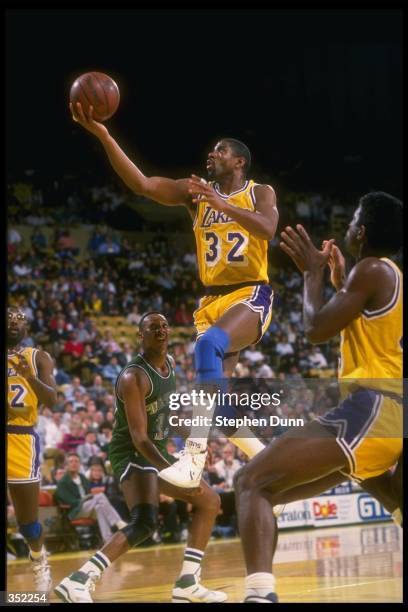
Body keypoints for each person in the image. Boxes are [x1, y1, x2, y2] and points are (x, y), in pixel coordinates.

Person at [70, 102, 279, 487]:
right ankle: (273, 462)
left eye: (222, 150)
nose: (212, 154)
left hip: (250, 293)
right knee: (219, 410)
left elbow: (267, 229)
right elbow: (143, 184)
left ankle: (193, 459)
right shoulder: (194, 192)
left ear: (239, 163)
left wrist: (224, 206)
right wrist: (103, 134)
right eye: (212, 150)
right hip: (211, 301)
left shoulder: (259, 192)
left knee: (206, 349)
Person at [233, 191, 403, 602]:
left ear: (360, 232)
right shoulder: (387, 274)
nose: (347, 226)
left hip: (373, 409)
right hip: (389, 417)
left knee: (249, 481)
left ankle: (260, 595)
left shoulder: (372, 270)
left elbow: (314, 329)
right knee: (269, 492)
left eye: (352, 220)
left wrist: (310, 273)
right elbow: (357, 329)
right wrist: (339, 282)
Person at [54, 312, 227, 603]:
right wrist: (176, 470)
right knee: (150, 519)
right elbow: (140, 437)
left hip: (154, 450)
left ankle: (187, 582)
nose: (160, 331)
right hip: (132, 452)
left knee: (206, 502)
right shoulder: (133, 376)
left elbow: (167, 417)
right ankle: (79, 581)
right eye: (152, 328)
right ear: (140, 336)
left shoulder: (169, 366)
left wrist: (196, 442)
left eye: (163, 326)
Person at [7, 306, 57, 591]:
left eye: (20, 319)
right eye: (9, 317)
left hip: (20, 438)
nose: (14, 322)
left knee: (28, 523)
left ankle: (39, 562)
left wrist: (30, 377)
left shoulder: (38, 357)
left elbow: (53, 401)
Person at [55, 453, 127, 543]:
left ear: (79, 464)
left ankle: (108, 539)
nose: (74, 463)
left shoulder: (82, 477)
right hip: (76, 511)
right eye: (71, 461)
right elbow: (70, 501)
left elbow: (89, 492)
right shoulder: (63, 482)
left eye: (76, 461)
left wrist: (89, 497)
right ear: (66, 465)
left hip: (89, 506)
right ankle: (118, 522)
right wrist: (86, 498)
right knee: (100, 496)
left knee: (99, 507)